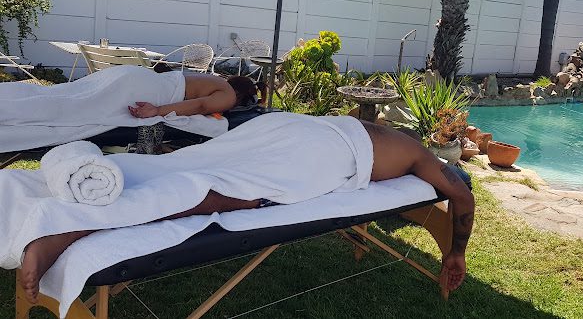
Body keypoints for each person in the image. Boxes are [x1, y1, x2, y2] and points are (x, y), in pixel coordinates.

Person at [17, 116, 475, 304]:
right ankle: (68, 232)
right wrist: (456, 252)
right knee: (219, 192)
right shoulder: (420, 156)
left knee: (191, 162)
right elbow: (462, 196)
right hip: (317, 154)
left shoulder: (368, 127)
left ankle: (84, 180)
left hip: (285, 127)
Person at [128, 73, 265, 118]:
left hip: (159, 79)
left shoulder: (218, 82)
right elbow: (201, 106)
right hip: (166, 91)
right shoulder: (229, 96)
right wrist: (157, 110)